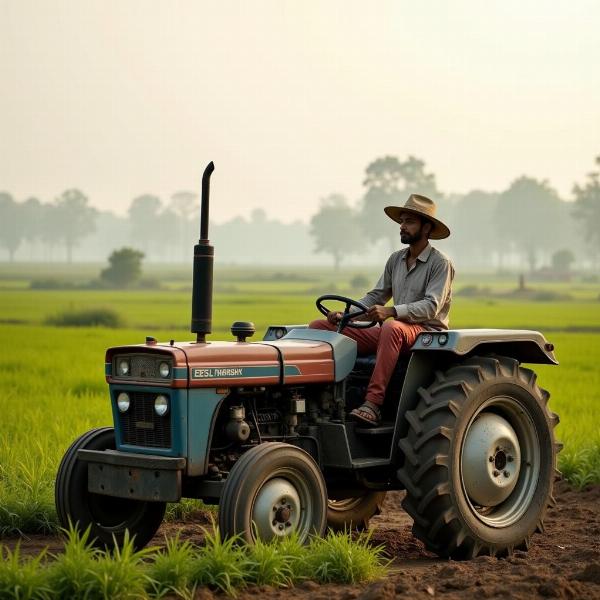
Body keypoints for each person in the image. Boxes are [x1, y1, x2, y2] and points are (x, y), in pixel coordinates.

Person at [309, 194, 454, 426]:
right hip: (393, 331)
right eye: (401, 221)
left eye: (409, 222)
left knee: (392, 327)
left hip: (425, 333)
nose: (402, 227)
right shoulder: (396, 259)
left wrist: (392, 311)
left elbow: (431, 306)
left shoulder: (440, 263)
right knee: (320, 327)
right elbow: (376, 296)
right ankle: (318, 398)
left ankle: (373, 404)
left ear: (426, 228)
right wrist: (347, 315)